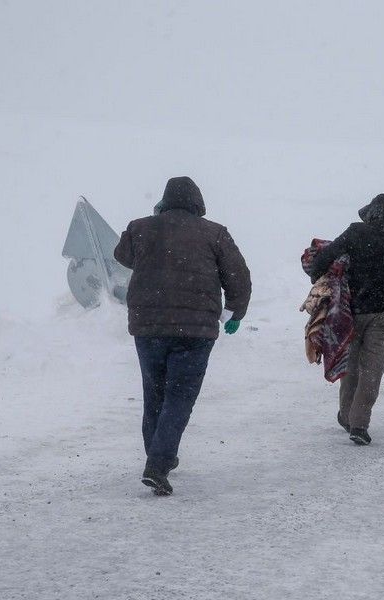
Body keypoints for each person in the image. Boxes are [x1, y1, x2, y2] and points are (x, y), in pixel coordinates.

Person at [114, 176, 251, 496]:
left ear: (164, 201)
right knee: (179, 397)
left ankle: (158, 454)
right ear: (198, 204)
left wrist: (153, 221)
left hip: (149, 326)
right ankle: (159, 463)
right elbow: (238, 276)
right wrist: (235, 312)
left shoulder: (141, 227)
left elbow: (123, 256)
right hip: (195, 330)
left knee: (155, 393)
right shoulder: (214, 233)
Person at [308, 194, 384, 446]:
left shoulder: (357, 232)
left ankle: (347, 416)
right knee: (373, 370)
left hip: (353, 311)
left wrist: (319, 279)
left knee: (353, 367)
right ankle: (359, 423)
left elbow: (324, 258)